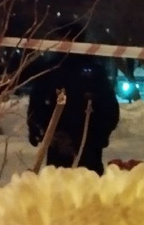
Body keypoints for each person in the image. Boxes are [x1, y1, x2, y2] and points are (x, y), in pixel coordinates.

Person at [27, 23, 119, 175]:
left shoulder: (93, 72)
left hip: (87, 145)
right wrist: (39, 130)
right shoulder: (50, 70)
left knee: (86, 185)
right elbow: (37, 102)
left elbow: (109, 109)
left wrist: (97, 138)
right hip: (58, 143)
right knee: (59, 185)